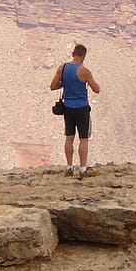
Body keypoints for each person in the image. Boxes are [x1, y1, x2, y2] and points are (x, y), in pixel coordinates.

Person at [50, 44, 100, 178]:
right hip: (82, 108)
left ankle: (69, 167)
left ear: (73, 54)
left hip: (68, 108)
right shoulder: (84, 71)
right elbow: (97, 89)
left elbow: (53, 86)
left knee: (69, 137)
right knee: (83, 139)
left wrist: (66, 83)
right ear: (83, 56)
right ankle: (83, 169)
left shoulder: (63, 68)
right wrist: (88, 82)